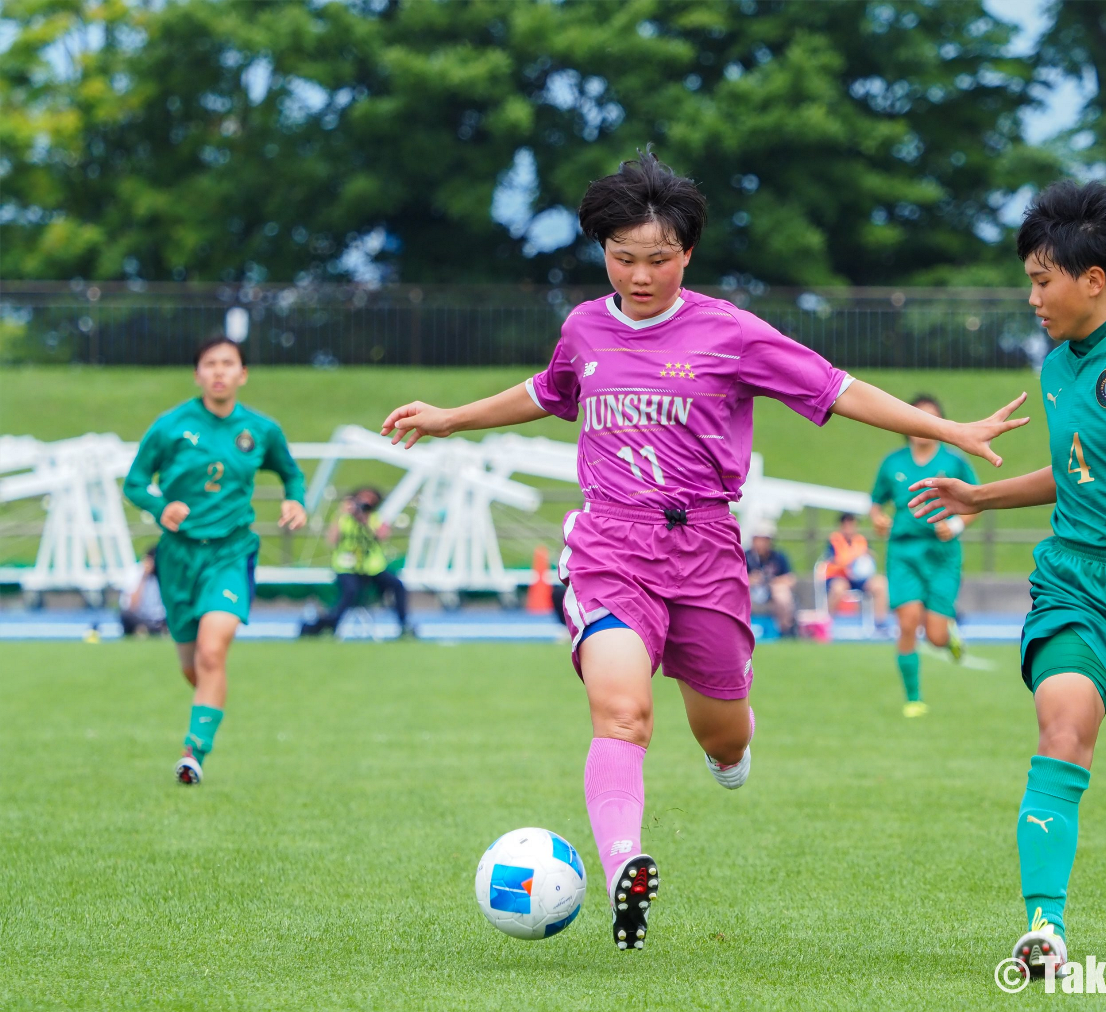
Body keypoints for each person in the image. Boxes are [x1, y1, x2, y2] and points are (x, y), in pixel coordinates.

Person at [380, 148, 1028, 951]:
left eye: (657, 259)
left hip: (707, 551)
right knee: (622, 708)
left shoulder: (730, 331)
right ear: (603, 254)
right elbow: (548, 392)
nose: (639, 275)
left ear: (687, 253)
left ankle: (729, 749)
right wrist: (448, 416)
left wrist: (947, 429)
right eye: (623, 258)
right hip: (611, 544)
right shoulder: (584, 325)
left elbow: (836, 387)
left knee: (724, 735)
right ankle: (625, 864)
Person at [909, 180, 1106, 977]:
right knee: (1062, 726)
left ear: (1094, 280)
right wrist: (982, 495)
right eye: (1028, 279)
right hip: (1079, 581)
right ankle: (1044, 930)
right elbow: (1079, 474)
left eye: (1042, 279)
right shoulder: (1057, 366)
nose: (1032, 296)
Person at [123, 335, 307, 785]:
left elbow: (291, 473)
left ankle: (194, 751)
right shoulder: (170, 427)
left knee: (211, 651)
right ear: (197, 374)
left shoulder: (261, 429)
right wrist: (159, 506)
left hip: (231, 552)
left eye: (229, 363)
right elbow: (134, 483)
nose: (219, 371)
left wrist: (295, 501)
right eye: (210, 364)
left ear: (242, 374)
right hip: (178, 559)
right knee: (195, 665)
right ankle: (213, 696)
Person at [869, 395, 978, 717]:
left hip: (942, 555)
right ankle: (913, 699)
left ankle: (949, 636)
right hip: (903, 552)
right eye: (916, 417)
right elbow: (876, 501)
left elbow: (976, 501)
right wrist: (877, 518)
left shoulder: (955, 462)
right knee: (907, 623)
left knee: (935, 635)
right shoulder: (892, 463)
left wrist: (956, 525)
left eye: (930, 417)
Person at [302, 486, 410, 636]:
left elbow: (383, 536)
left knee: (397, 586)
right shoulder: (344, 519)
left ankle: (404, 624)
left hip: (372, 568)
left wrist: (365, 521)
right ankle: (330, 623)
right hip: (347, 568)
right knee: (350, 591)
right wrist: (342, 513)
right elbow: (331, 540)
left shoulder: (376, 518)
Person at [823, 513, 888, 628]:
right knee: (838, 588)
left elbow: (871, 557)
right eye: (846, 525)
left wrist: (867, 558)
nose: (849, 528)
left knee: (880, 584)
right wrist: (851, 558)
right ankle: (828, 624)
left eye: (852, 524)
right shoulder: (834, 541)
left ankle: (880, 624)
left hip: (859, 578)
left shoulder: (861, 540)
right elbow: (834, 559)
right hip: (840, 576)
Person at [745, 520, 796, 637]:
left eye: (765, 539)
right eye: (759, 539)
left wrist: (772, 582)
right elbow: (735, 579)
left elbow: (790, 579)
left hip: (771, 593)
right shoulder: (744, 556)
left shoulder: (778, 557)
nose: (761, 543)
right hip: (751, 592)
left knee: (782, 594)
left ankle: (785, 631)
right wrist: (751, 579)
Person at [119, 545, 168, 637]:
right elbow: (131, 606)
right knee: (126, 615)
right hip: (140, 617)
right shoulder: (135, 572)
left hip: (160, 618)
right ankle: (147, 629)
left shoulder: (164, 575)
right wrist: (144, 576)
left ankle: (146, 630)